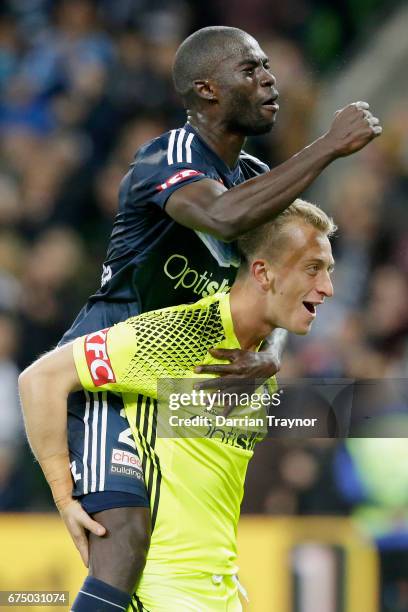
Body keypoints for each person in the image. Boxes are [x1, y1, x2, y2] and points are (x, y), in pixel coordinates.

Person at [50, 23, 381, 610]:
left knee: (191, 554)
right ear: (206, 90)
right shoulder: (170, 156)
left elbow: (277, 288)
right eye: (250, 69)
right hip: (111, 371)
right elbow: (223, 218)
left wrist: (267, 356)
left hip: (183, 379)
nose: (269, 78)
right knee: (125, 539)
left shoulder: (255, 178)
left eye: (268, 67)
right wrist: (327, 145)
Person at [20, 199, 336, 610]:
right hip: (160, 591)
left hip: (221, 593)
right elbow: (39, 380)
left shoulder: (258, 364)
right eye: (313, 269)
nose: (328, 287)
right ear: (262, 272)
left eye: (328, 270)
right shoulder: (180, 334)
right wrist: (65, 500)